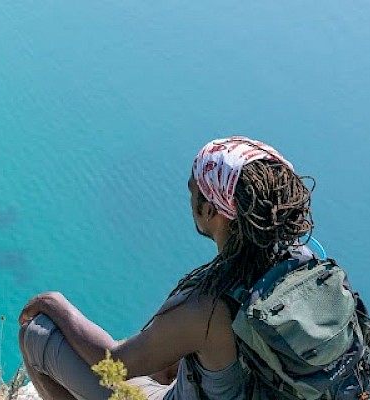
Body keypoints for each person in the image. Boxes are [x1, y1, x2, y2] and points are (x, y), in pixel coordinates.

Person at [18, 136, 314, 400]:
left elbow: (117, 365)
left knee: (36, 335)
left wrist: (51, 303)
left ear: (211, 210)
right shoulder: (305, 269)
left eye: (192, 190)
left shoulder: (207, 306)